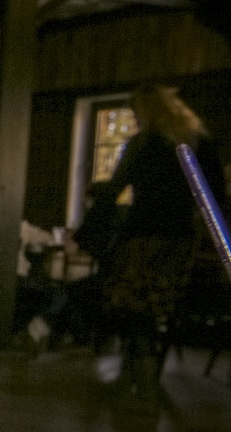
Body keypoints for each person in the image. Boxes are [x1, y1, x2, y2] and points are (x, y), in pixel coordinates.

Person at [97, 84, 228, 410]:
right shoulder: (197, 145)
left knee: (133, 308)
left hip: (143, 238)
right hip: (180, 241)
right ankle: (139, 383)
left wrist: (96, 219)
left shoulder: (143, 145)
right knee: (152, 310)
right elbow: (215, 199)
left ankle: (142, 387)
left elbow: (115, 188)